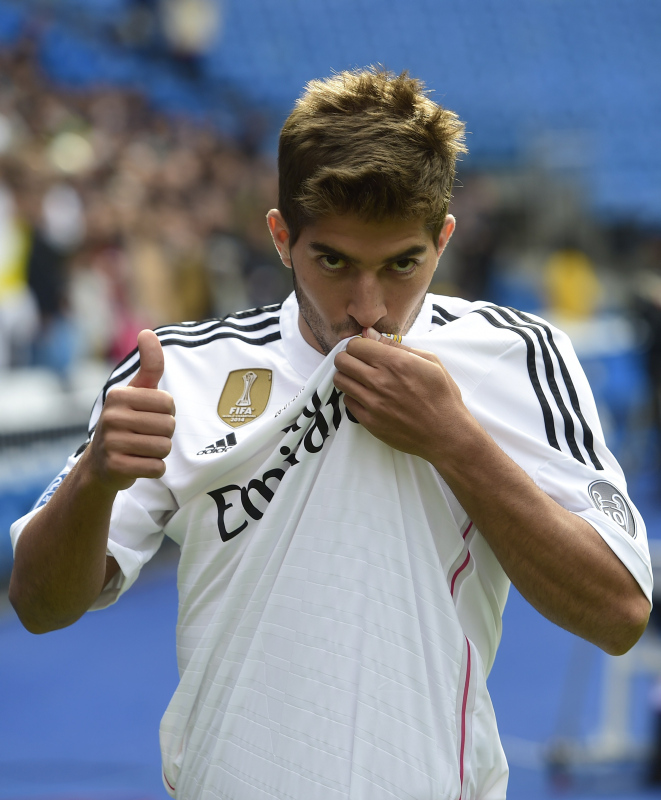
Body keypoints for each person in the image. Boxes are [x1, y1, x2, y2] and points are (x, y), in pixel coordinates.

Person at [8, 68, 652, 799]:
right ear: (282, 237)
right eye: (334, 262)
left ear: (442, 240)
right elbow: (38, 602)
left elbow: (620, 612)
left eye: (402, 264)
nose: (367, 307)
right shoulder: (183, 369)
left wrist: (455, 440)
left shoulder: (517, 355)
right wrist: (94, 480)